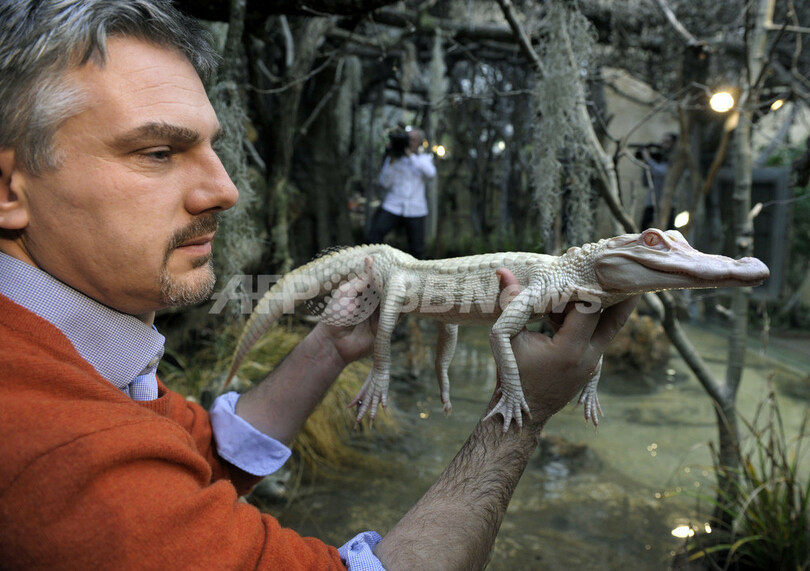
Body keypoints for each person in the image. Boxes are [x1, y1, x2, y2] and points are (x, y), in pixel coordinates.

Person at [0, 1, 639, 569]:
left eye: (211, 147)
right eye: (158, 153)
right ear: (9, 189)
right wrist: (520, 419)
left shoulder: (81, 350)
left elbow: (194, 456)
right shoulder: (60, 449)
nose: (225, 189)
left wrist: (331, 344)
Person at [367, 127, 436, 259]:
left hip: (416, 209)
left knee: (417, 248)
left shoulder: (424, 159)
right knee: (374, 235)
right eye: (408, 139)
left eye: (413, 139)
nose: (410, 142)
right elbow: (385, 183)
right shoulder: (394, 159)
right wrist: (392, 160)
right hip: (393, 205)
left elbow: (431, 174)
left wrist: (410, 156)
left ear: (419, 142)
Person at [639, 132, 677, 230]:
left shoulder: (674, 161)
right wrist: (646, 166)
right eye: (663, 142)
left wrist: (648, 160)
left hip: (668, 204)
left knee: (669, 233)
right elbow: (645, 182)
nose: (663, 145)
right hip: (651, 203)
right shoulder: (657, 162)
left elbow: (662, 174)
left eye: (667, 142)